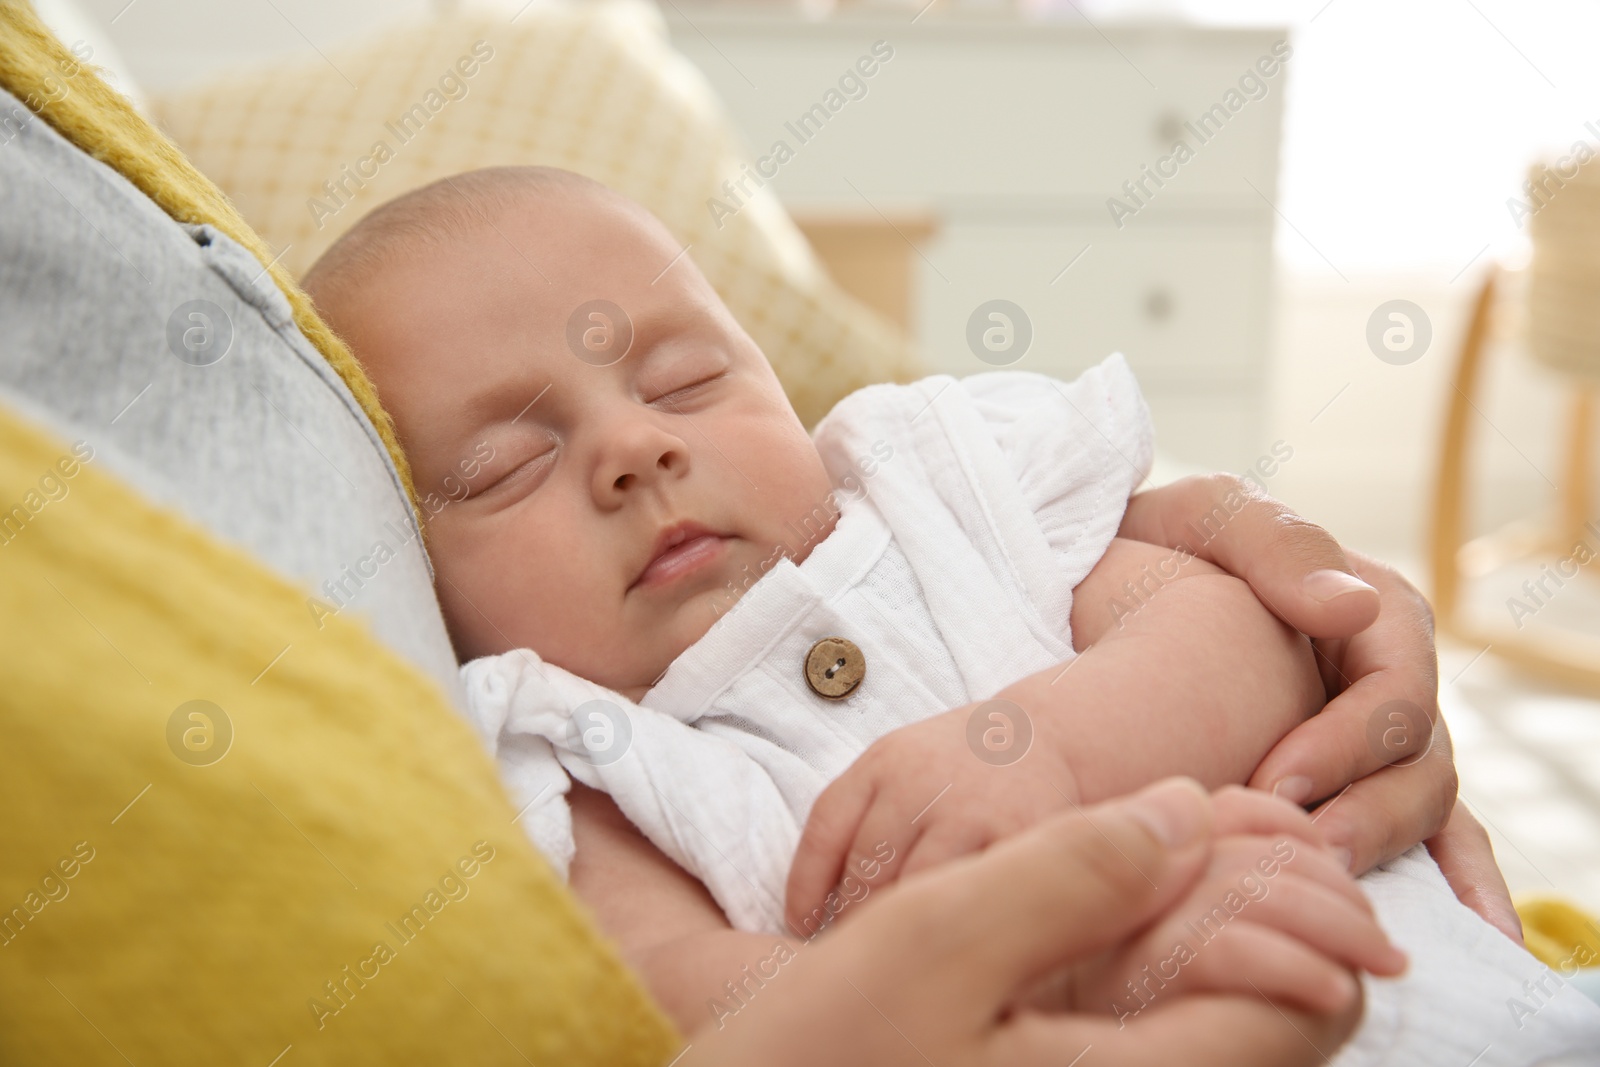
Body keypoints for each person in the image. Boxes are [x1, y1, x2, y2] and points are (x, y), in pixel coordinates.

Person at [300, 166, 1600, 1060]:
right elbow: (688, 1003)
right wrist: (1024, 970)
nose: (634, 449)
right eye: (505, 470)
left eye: (687, 381)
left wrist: (1051, 746)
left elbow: (1233, 633)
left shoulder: (936, 490)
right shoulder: (579, 752)